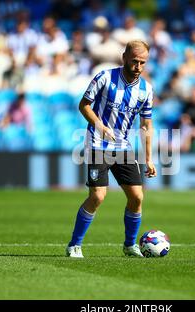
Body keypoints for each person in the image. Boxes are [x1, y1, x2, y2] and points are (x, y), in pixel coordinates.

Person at [66, 40, 156, 258]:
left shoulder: (146, 90)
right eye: (134, 61)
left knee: (137, 196)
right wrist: (101, 126)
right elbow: (84, 105)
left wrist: (149, 158)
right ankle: (74, 245)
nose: (138, 66)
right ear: (124, 57)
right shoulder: (105, 77)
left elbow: (146, 125)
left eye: (143, 63)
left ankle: (129, 245)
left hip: (123, 147)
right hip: (97, 143)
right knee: (98, 196)